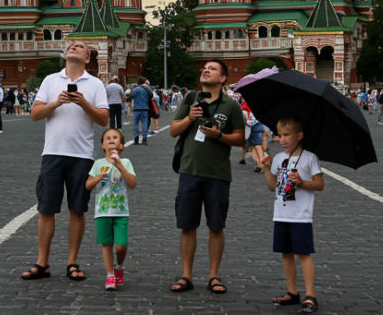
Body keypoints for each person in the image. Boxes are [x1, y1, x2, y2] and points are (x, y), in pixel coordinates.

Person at [20, 41, 109, 282]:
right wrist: (57, 102)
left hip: (81, 156)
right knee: (46, 208)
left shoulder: (95, 84)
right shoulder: (51, 80)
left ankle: (72, 262)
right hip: (52, 153)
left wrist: (83, 102)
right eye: (71, 45)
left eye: (80, 46)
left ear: (87, 58)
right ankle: (42, 263)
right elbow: (35, 115)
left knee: (77, 209)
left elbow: (103, 118)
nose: (74, 47)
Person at [167, 60, 244, 294]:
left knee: (216, 226)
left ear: (222, 79)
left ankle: (214, 276)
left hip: (217, 174)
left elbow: (241, 139)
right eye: (205, 68)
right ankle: (186, 276)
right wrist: (190, 118)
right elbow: (173, 130)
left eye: (212, 69)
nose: (205, 70)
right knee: (187, 225)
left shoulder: (231, 105)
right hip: (189, 171)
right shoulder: (191, 98)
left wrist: (218, 135)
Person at [260, 116, 324, 311]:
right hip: (280, 214)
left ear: (300, 135)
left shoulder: (309, 157)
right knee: (286, 254)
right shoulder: (279, 158)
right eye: (280, 135)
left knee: (303, 254)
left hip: (300, 215)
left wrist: (302, 182)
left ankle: (310, 295)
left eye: (287, 135)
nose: (282, 139)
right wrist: (266, 169)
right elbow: (273, 187)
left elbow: (320, 184)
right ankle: (292, 292)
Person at [86, 128, 137, 292]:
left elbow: (132, 183)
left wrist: (120, 166)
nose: (111, 139)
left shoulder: (126, 162)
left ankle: (119, 267)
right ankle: (110, 275)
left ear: (122, 145)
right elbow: (87, 185)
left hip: (121, 212)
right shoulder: (97, 164)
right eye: (107, 138)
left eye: (115, 138)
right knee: (106, 244)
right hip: (102, 212)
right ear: (102, 144)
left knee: (121, 246)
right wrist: (98, 177)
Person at [129, 78, 152, 145]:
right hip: (145, 108)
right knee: (144, 123)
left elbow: (130, 96)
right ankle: (144, 138)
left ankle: (136, 138)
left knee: (135, 123)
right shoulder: (147, 89)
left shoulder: (135, 89)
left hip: (136, 108)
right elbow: (151, 96)